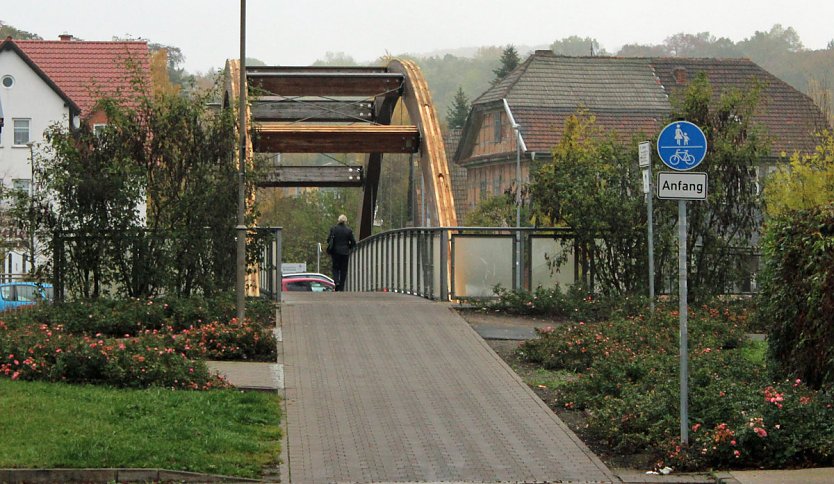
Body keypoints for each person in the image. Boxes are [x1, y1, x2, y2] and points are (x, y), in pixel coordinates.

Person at [326, 214, 356, 291]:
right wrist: (348, 247)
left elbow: (328, 240)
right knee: (344, 270)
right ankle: (341, 287)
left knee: (335, 268)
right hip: (345, 253)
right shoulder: (348, 230)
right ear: (345, 221)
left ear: (338, 220)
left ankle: (336, 282)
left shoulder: (333, 229)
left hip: (335, 252)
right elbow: (353, 242)